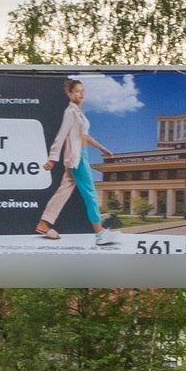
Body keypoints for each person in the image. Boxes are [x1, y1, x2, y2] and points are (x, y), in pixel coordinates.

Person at [37, 76, 114, 245]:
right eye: (77, 92)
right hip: (77, 157)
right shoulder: (70, 112)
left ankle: (44, 223)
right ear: (70, 94)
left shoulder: (78, 113)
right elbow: (61, 135)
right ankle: (100, 233)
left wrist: (102, 149)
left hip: (81, 154)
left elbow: (84, 136)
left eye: (82, 91)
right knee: (90, 195)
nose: (81, 94)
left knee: (64, 191)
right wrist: (52, 158)